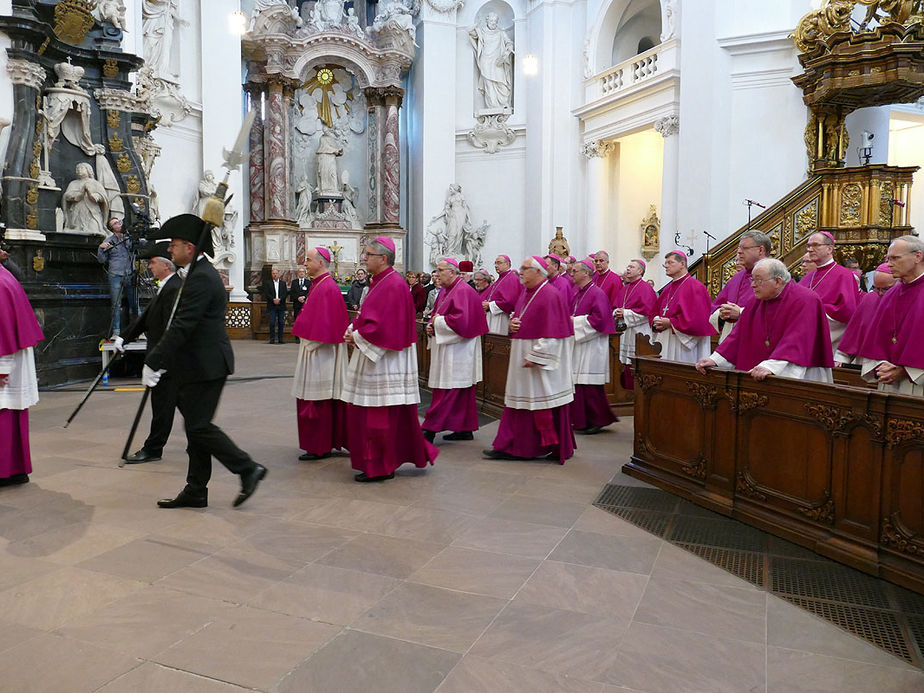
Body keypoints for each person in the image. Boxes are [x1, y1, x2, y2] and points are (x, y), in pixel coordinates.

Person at [143, 214, 266, 509]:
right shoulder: (197, 273)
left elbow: (183, 325)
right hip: (196, 364)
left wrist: (154, 359)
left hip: (207, 365)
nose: (169, 251)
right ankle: (196, 489)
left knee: (198, 428)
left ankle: (247, 468)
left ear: (189, 246)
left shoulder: (201, 278)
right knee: (195, 428)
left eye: (173, 245)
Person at [341, 237, 438, 481]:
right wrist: (354, 328)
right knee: (374, 413)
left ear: (383, 258)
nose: (364, 258)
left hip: (385, 359)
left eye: (368, 254)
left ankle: (381, 466)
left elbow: (385, 327)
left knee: (378, 415)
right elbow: (369, 315)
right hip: (378, 354)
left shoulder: (392, 284)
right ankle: (378, 461)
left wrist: (357, 337)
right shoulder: (381, 281)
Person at [484, 256, 575, 463]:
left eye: (525, 268)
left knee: (541, 403)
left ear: (538, 272)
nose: (520, 271)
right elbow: (519, 317)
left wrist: (537, 357)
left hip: (540, 361)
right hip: (522, 354)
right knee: (519, 402)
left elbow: (556, 333)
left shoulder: (551, 294)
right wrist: (512, 324)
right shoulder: (526, 292)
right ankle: (511, 445)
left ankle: (537, 446)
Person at [696, 258, 833, 383]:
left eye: (759, 280)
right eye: (752, 280)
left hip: (798, 373)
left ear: (778, 281)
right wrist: (715, 360)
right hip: (759, 373)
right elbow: (738, 335)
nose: (753, 285)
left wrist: (771, 366)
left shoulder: (806, 300)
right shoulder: (756, 301)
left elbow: (797, 339)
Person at [116, 241, 182, 464]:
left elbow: (170, 328)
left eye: (153, 263)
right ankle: (160, 446)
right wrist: (124, 336)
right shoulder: (166, 285)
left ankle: (153, 449)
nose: (150, 267)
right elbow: (147, 318)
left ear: (166, 265)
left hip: (168, 360)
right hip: (163, 357)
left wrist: (159, 360)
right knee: (170, 407)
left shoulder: (174, 288)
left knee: (163, 407)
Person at [422, 258, 489, 443]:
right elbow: (436, 315)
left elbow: (461, 321)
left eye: (440, 270)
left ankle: (429, 429)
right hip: (449, 346)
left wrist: (436, 323)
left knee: (449, 390)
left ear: (452, 272)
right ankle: (464, 428)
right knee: (461, 391)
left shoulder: (463, 291)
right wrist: (431, 326)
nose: (436, 274)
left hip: (460, 349)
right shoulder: (445, 290)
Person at [291, 247, 349, 460]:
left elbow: (325, 326)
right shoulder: (319, 285)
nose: (304, 263)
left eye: (308, 260)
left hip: (321, 354)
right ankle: (319, 443)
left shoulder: (327, 288)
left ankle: (320, 445)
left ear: (321, 262)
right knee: (315, 398)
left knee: (319, 399)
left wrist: (307, 339)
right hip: (315, 351)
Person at [858, 235, 924, 395]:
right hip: (889, 382)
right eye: (888, 259)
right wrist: (880, 366)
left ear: (917, 256)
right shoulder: (891, 293)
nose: (888, 264)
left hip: (918, 382)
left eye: (895, 258)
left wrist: (905, 370)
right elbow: (877, 339)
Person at [0, 261, 43, 487]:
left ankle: (4, 472)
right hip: (11, 355)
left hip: (6, 358)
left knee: (4, 416)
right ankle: (16, 470)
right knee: (12, 414)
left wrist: (1, 368)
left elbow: (2, 328)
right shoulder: (4, 275)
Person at [570, 258, 617, 434]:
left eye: (575, 271)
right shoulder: (578, 293)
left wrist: (575, 321)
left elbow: (600, 319)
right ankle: (582, 420)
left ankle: (597, 419)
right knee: (580, 384)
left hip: (592, 345)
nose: (571, 274)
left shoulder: (597, 293)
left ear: (586, 273)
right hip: (580, 343)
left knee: (590, 385)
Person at [800, 231, 859, 355]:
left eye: (816, 245)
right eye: (809, 246)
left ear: (829, 248)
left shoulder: (844, 275)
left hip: (827, 343)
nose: (810, 249)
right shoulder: (808, 277)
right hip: (801, 340)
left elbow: (847, 312)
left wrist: (812, 311)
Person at [652, 250, 716, 363]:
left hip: (683, 344)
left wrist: (670, 323)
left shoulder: (696, 287)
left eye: (670, 262)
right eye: (665, 263)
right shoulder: (667, 288)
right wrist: (656, 321)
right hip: (666, 340)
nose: (666, 266)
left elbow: (698, 321)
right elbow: (655, 311)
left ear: (682, 264)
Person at [709, 230, 772, 343]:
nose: (739, 252)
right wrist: (722, 314)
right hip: (730, 343)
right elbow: (715, 307)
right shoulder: (737, 278)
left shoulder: (774, 276)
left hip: (758, 343)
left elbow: (774, 312)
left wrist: (740, 313)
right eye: (738, 248)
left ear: (761, 250)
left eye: (744, 248)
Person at [834, 263, 895, 366]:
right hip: (866, 362)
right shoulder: (870, 298)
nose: (880, 293)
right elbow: (854, 332)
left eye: (885, 289)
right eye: (876, 288)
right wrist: (841, 358)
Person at [613, 258, 657, 388]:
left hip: (639, 332)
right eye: (628, 266)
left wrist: (625, 314)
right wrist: (617, 312)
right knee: (622, 362)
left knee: (634, 363)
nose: (628, 269)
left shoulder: (646, 288)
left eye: (631, 267)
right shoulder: (625, 289)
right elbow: (616, 306)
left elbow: (647, 313)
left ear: (640, 271)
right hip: (624, 332)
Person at [97, 217, 135, 337]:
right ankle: (116, 332)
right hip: (115, 275)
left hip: (130, 273)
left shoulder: (129, 238)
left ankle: (139, 331)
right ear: (111, 228)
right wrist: (100, 249)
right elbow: (101, 260)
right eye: (115, 223)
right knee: (116, 305)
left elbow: (142, 245)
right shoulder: (109, 241)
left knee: (135, 303)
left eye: (119, 222)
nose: (119, 224)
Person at [63, 162, 109, 237]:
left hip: (92, 211)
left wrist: (91, 194)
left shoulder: (95, 183)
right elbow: (67, 196)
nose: (79, 170)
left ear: (89, 170)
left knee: (94, 228)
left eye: (81, 168)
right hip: (77, 211)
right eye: (77, 169)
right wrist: (80, 194)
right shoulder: (73, 183)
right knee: (77, 229)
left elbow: (103, 197)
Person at [483, 254, 522, 335]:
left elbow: (510, 301)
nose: (496, 265)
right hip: (492, 316)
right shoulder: (500, 278)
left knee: (497, 342)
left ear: (507, 264)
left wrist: (490, 305)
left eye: (499, 263)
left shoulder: (512, 278)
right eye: (495, 263)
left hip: (501, 318)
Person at [262, 267, 288, 344]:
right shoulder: (268, 283)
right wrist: (273, 299)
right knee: (272, 322)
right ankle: (272, 338)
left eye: (276, 273)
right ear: (271, 274)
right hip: (272, 305)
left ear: (278, 274)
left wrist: (279, 299)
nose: (275, 275)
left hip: (281, 304)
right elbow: (266, 293)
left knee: (281, 322)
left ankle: (280, 338)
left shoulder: (283, 283)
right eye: (273, 273)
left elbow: (285, 293)